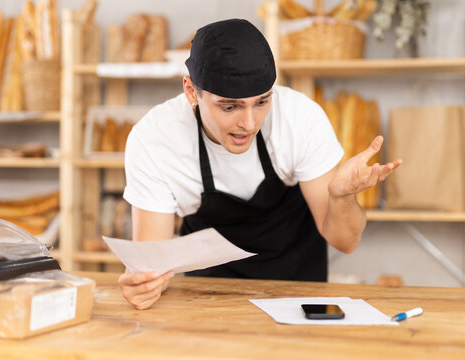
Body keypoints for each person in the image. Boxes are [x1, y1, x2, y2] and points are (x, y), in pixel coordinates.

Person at [118, 19, 402, 310]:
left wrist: (341, 198)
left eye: (262, 102)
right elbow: (150, 263)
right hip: (209, 292)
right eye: (230, 107)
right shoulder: (154, 138)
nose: (249, 124)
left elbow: (346, 242)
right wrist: (144, 283)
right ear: (192, 91)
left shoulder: (300, 117)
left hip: (297, 281)